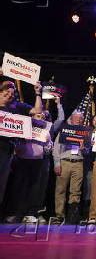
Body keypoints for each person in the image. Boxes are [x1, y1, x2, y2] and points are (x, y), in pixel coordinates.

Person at [0, 77, 42, 206]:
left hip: (6, 151)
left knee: (1, 184)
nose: (10, 94)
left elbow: (37, 111)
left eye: (12, 93)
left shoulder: (16, 106)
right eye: (6, 91)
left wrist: (38, 93)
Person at [52, 111, 89, 224]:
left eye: (80, 118)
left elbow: (88, 152)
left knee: (76, 191)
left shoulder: (85, 133)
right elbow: (56, 148)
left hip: (78, 163)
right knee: (60, 190)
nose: (78, 120)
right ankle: (59, 215)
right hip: (65, 162)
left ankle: (72, 215)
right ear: (71, 119)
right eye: (76, 118)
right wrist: (57, 163)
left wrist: (84, 148)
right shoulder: (64, 131)